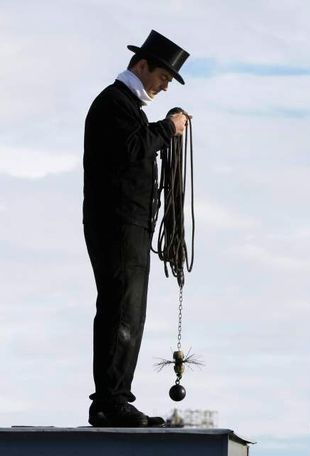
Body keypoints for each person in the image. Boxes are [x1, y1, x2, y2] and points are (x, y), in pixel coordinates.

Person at [83, 30, 190, 427]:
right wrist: (168, 129)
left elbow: (134, 147)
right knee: (121, 310)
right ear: (142, 66)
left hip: (128, 225)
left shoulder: (125, 107)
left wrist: (161, 129)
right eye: (163, 77)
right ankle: (110, 401)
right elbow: (132, 148)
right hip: (118, 224)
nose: (163, 87)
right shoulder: (113, 104)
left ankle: (115, 398)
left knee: (128, 310)